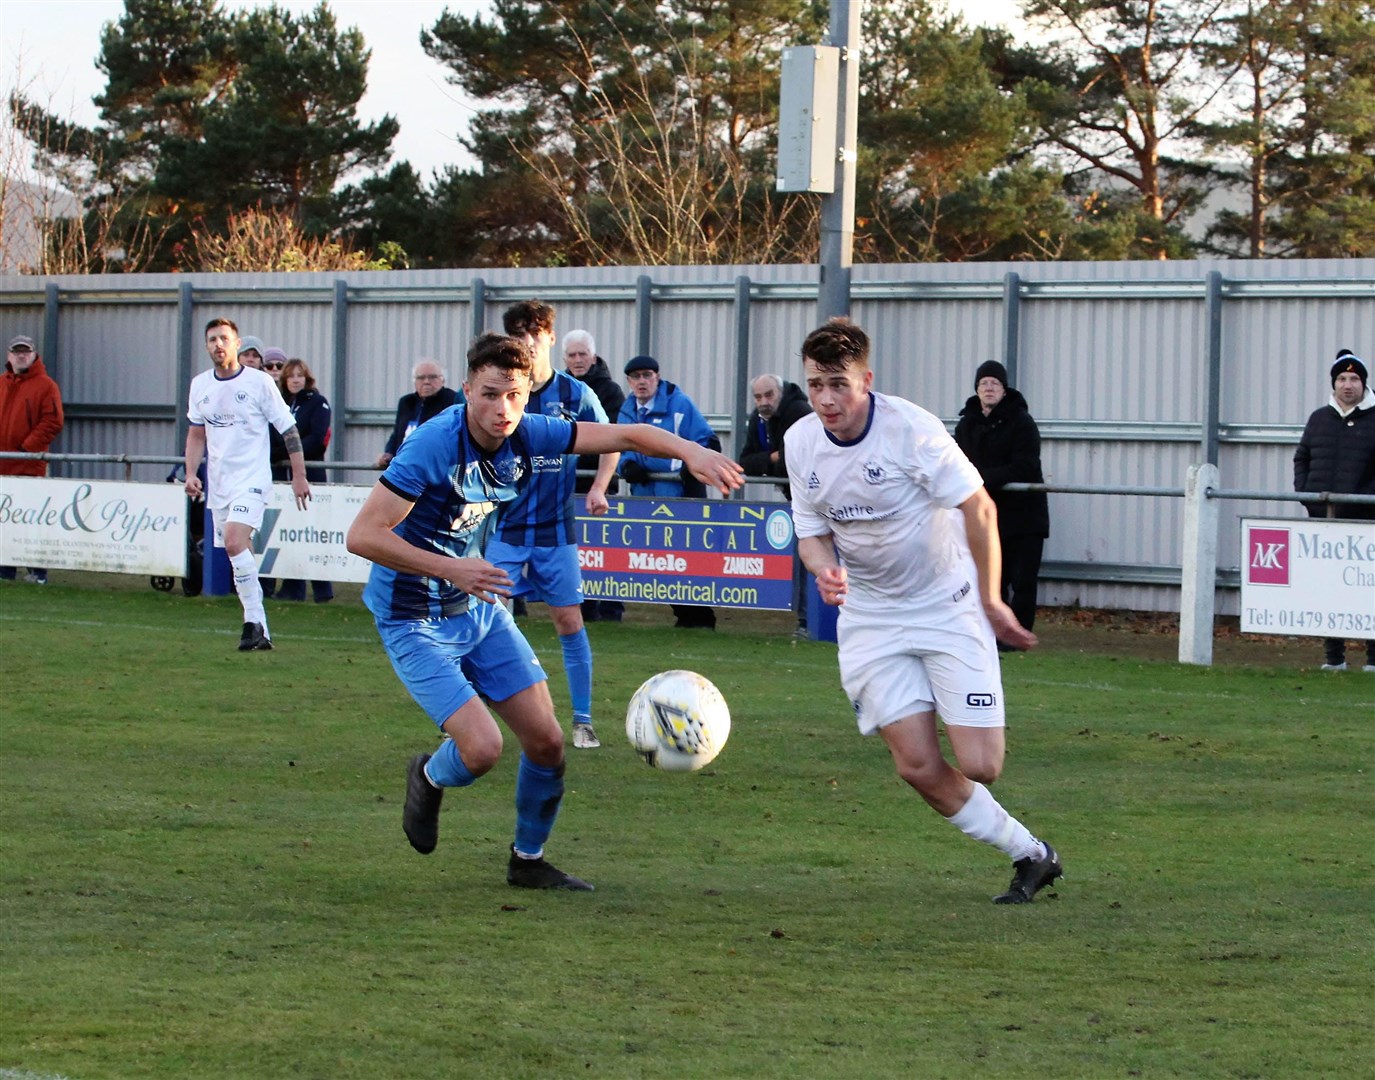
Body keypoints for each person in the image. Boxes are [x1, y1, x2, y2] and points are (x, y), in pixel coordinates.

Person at [344, 332, 743, 889]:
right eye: (488, 395)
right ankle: (430, 777)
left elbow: (625, 432)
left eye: (513, 395)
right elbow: (362, 536)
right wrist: (451, 567)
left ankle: (527, 861)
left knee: (549, 741)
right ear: (466, 391)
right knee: (482, 750)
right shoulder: (433, 445)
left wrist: (692, 451)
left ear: (527, 395)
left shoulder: (531, 433)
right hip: (413, 615)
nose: (501, 409)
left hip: (474, 605)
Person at [786, 317, 1063, 904]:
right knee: (916, 766)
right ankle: (1032, 855)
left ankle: (949, 688)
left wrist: (991, 600)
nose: (826, 400)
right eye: (815, 385)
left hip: (947, 605)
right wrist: (821, 569)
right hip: (871, 617)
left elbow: (980, 509)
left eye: (839, 384)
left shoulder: (913, 429)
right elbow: (809, 533)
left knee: (982, 764)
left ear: (867, 379)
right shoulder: (799, 441)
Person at [486, 301, 619, 749]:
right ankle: (478, 720)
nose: (527, 341)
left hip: (555, 530)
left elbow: (612, 441)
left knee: (567, 620)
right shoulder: (506, 393)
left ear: (549, 339)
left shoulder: (575, 394)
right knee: (487, 621)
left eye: (535, 333)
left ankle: (582, 719)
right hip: (503, 528)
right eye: (518, 334)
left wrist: (599, 487)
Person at [184, 318, 313, 651]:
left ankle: (251, 623)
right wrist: (190, 473)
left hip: (252, 480)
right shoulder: (200, 385)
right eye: (212, 339)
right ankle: (260, 629)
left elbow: (289, 429)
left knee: (232, 541)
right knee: (239, 552)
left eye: (224, 338)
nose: (218, 344)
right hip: (219, 484)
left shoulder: (258, 383)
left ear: (237, 344)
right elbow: (196, 433)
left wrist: (299, 476)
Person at [617, 354, 721, 629]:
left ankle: (700, 615)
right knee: (661, 560)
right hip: (646, 497)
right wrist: (626, 465)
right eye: (636, 377)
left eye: (647, 376)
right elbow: (620, 446)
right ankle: (682, 613)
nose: (642, 382)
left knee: (689, 558)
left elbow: (707, 438)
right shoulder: (627, 410)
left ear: (657, 377)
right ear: (628, 381)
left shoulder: (679, 403)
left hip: (680, 494)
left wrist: (691, 464)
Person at [953, 360, 1050, 639]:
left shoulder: (1022, 422)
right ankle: (993, 633)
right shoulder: (967, 425)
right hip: (986, 516)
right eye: (984, 383)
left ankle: (1019, 634)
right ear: (977, 389)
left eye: (995, 383)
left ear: (1004, 390)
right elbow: (957, 463)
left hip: (1024, 515)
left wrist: (980, 479)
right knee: (994, 577)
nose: (989, 388)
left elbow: (1026, 465)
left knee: (1023, 580)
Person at [1294, 348, 1375, 672]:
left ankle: (1373, 661)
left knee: (1368, 590)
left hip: (1367, 524)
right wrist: (1307, 495)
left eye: (1354, 378)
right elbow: (1302, 457)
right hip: (1323, 522)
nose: (1347, 384)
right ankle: (1334, 659)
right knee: (1328, 590)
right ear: (1334, 383)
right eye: (1342, 378)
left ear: (1364, 383)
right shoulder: (1319, 419)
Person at [564, 328, 626, 624]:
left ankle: (611, 610)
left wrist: (600, 482)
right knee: (574, 553)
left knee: (605, 550)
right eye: (572, 355)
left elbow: (613, 437)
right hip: (566, 483)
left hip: (600, 484)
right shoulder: (559, 387)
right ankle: (582, 607)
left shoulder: (610, 390)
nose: (577, 360)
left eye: (582, 354)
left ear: (593, 356)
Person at [0, 334, 64, 584]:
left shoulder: (46, 386)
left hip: (30, 467)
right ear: (9, 355)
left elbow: (53, 421)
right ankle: (5, 570)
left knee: (33, 524)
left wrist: (26, 448)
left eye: (25, 351)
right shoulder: (2, 384)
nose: (21, 355)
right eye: (16, 352)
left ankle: (38, 572)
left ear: (34, 355)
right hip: (3, 466)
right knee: (4, 522)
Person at [274, 357, 334, 604]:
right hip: (284, 476)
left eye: (300, 375)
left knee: (313, 531)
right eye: (291, 376)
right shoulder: (280, 405)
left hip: (311, 476)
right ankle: (292, 587)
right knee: (290, 532)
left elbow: (318, 439)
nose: (295, 380)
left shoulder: (318, 403)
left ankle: (323, 590)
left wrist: (292, 453)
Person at [737, 373, 811, 499]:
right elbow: (744, 463)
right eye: (758, 397)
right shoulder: (757, 417)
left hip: (810, 492)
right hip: (791, 491)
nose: (764, 402)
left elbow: (790, 462)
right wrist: (772, 457)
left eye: (769, 395)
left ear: (780, 392)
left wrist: (763, 463)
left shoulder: (799, 412)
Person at [376, 359, 458, 469]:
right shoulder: (406, 402)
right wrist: (388, 453)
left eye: (432, 377)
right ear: (414, 381)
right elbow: (397, 434)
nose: (426, 381)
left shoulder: (453, 401)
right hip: (404, 467)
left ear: (443, 380)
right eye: (421, 378)